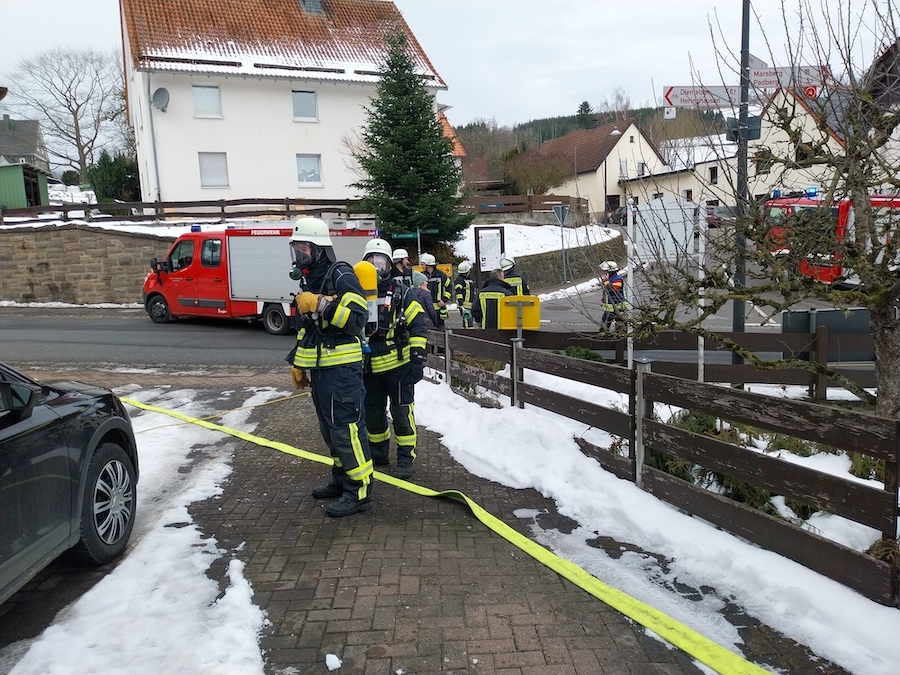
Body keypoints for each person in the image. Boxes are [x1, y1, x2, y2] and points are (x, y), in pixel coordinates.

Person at [288, 217, 374, 517]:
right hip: (322, 373)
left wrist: (321, 304)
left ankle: (359, 491)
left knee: (347, 430)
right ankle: (341, 479)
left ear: (319, 249)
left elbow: (357, 319)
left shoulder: (341, 274)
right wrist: (298, 364)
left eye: (303, 249)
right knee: (330, 430)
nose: (299, 256)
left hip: (343, 372)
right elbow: (308, 331)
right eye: (295, 249)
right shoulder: (310, 281)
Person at [361, 239, 429, 480]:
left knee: (401, 415)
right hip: (369, 369)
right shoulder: (358, 294)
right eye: (371, 262)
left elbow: (419, 325)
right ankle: (379, 454)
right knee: (373, 415)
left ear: (389, 265)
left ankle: (405, 459)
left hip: (399, 369)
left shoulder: (403, 293)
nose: (376, 267)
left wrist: (417, 359)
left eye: (380, 262)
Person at [419, 252, 452, 328]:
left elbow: (449, 287)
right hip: (425, 308)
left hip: (438, 308)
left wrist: (444, 300)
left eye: (423, 264)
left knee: (440, 328)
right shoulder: (421, 276)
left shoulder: (441, 275)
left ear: (428, 265)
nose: (421, 266)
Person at [599, 260, 627, 332]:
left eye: (605, 271)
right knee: (604, 327)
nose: (604, 273)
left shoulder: (617, 279)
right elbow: (607, 292)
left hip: (618, 307)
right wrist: (602, 300)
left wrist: (606, 281)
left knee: (621, 328)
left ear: (610, 272)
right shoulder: (610, 279)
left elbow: (614, 289)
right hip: (609, 308)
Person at [454, 260, 477, 328]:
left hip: (470, 304)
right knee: (467, 321)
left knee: (470, 322)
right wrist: (461, 302)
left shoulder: (468, 279)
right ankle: (467, 333)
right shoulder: (459, 280)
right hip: (464, 305)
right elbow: (458, 291)